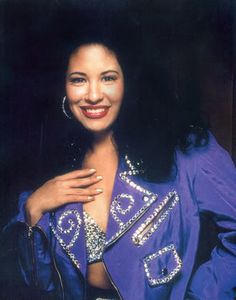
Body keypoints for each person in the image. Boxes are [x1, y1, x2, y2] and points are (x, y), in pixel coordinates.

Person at [5, 26, 236, 300]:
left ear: (129, 81)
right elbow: (39, 283)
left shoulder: (184, 148)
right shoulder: (55, 160)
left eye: (108, 78)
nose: (93, 95)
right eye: (79, 79)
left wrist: (201, 295)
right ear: (64, 87)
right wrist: (34, 210)